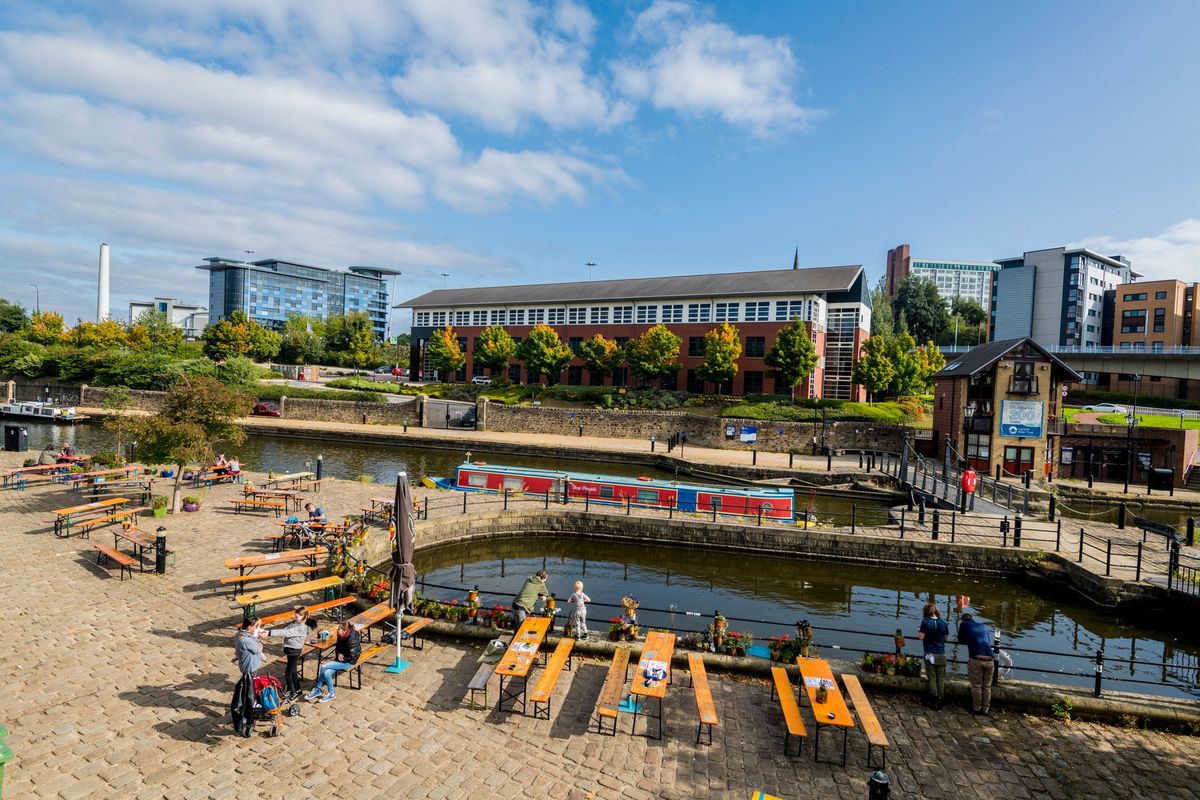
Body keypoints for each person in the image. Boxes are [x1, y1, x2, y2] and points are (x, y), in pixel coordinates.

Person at [306, 620, 359, 703]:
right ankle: (331, 693)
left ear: (345, 631)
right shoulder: (340, 635)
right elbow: (338, 647)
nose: (337, 630)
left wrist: (342, 658)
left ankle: (318, 688)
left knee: (323, 666)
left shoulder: (352, 638)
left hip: (349, 661)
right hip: (341, 658)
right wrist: (338, 653)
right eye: (338, 628)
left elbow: (353, 655)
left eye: (339, 629)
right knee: (327, 673)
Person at [957, 597, 994, 715]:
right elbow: (987, 641)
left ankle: (976, 708)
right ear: (973, 619)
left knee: (977, 685)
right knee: (987, 686)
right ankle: (986, 709)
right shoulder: (983, 626)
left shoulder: (964, 625)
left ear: (963, 620)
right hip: (990, 659)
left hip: (977, 659)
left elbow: (960, 639)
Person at [231, 616, 267, 736]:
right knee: (248, 690)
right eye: (257, 626)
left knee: (248, 687)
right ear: (249, 627)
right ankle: (248, 711)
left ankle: (248, 705)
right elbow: (258, 649)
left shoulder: (241, 635)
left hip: (249, 666)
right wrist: (259, 640)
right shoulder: (245, 640)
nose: (259, 628)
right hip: (249, 668)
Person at [266, 607, 311, 701]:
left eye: (298, 616)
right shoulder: (295, 623)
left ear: (303, 616)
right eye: (295, 615)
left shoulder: (301, 627)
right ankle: (298, 690)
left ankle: (292, 691)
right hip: (290, 650)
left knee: (288, 673)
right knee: (293, 671)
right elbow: (286, 629)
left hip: (294, 651)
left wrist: (269, 632)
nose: (295, 617)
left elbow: (286, 632)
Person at [917, 601, 949, 708]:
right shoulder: (943, 623)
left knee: (932, 677)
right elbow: (945, 638)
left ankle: (933, 699)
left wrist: (920, 631)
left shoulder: (925, 622)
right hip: (941, 653)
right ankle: (941, 698)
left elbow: (921, 637)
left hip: (930, 653)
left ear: (925, 612)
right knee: (940, 677)